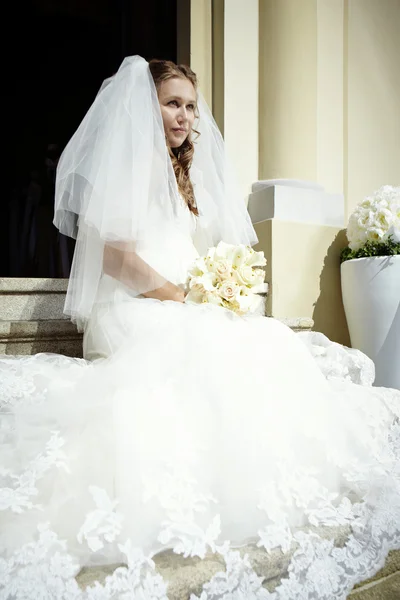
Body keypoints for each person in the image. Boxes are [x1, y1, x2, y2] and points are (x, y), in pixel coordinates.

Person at [0, 56, 399, 600]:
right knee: (220, 350)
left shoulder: (181, 171)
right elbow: (115, 258)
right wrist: (185, 297)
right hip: (133, 307)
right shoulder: (129, 166)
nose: (185, 116)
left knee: (262, 340)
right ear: (147, 107)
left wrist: (218, 287)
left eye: (190, 105)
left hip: (176, 300)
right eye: (172, 103)